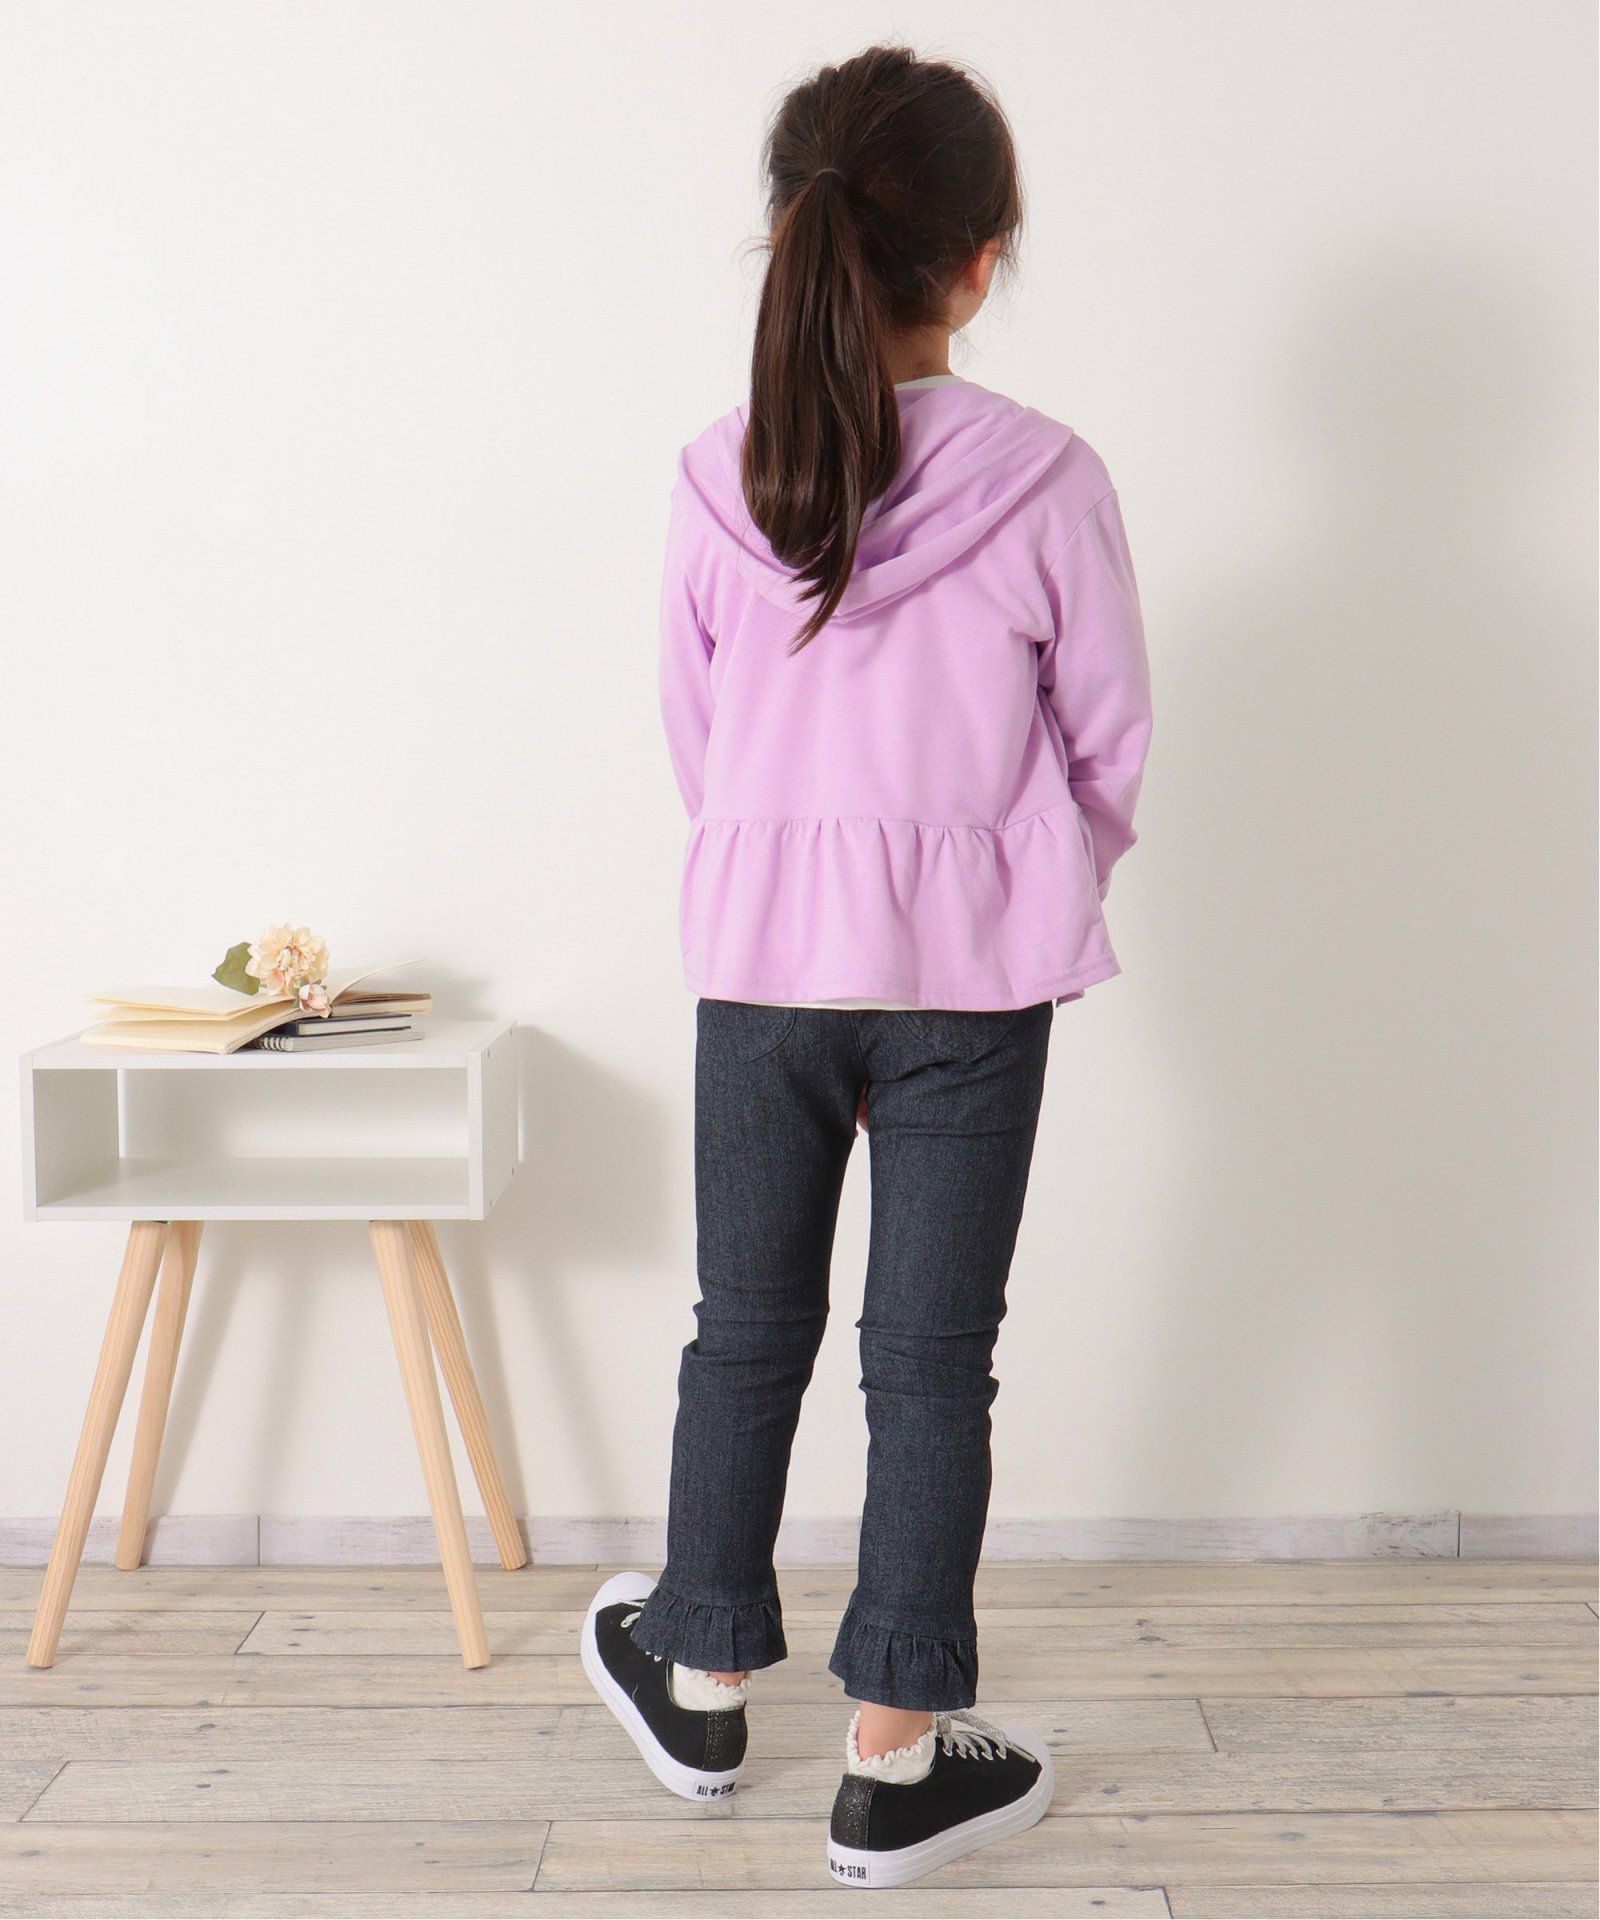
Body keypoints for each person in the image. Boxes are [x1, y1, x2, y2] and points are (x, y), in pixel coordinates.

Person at [580, 43, 1152, 1889]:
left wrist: (786, 870)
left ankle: (698, 1682)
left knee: (743, 1328)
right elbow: (1109, 747)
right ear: (980, 262)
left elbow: (700, 736)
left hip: (762, 971)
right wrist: (1010, 881)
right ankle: (894, 1765)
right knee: (930, 1364)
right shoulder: (1048, 479)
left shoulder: (717, 473)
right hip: (973, 990)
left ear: (791, 238)